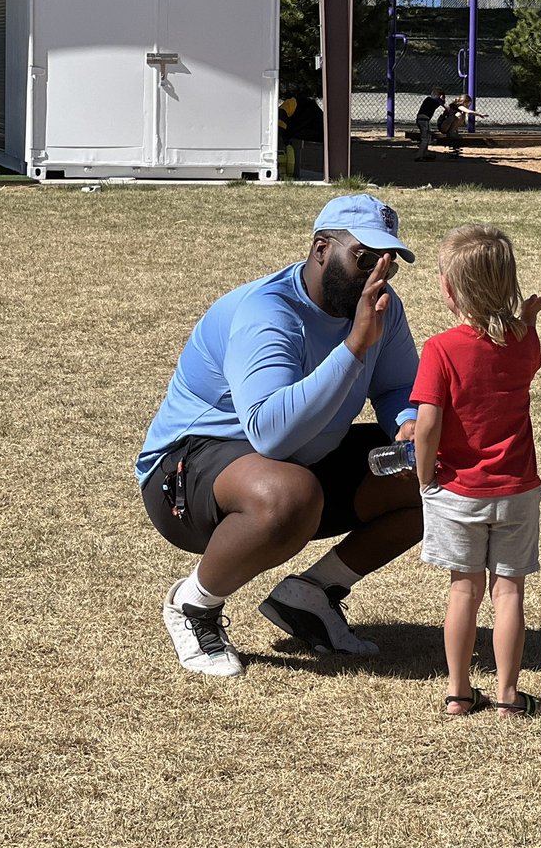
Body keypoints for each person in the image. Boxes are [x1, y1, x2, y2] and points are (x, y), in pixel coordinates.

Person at [135, 194, 423, 677]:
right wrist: (354, 346)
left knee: (437, 471)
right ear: (321, 250)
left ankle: (311, 596)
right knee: (288, 494)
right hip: (186, 476)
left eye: (388, 263)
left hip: (299, 460)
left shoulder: (381, 309)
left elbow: (397, 386)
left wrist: (407, 423)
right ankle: (194, 604)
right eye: (365, 258)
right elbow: (271, 435)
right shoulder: (268, 311)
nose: (378, 274)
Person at [410, 225, 541, 717]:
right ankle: (508, 696)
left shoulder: (440, 349)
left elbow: (427, 425)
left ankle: (459, 692)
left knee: (464, 589)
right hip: (517, 491)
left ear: (450, 289)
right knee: (508, 591)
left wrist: (424, 477)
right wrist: (529, 318)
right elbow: (523, 351)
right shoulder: (522, 343)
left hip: (458, 492)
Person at [414, 87, 447, 162]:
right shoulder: (437, 101)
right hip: (424, 121)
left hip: (420, 120)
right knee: (425, 139)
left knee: (427, 137)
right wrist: (442, 100)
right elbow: (446, 107)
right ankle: (419, 156)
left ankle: (425, 153)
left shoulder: (428, 99)